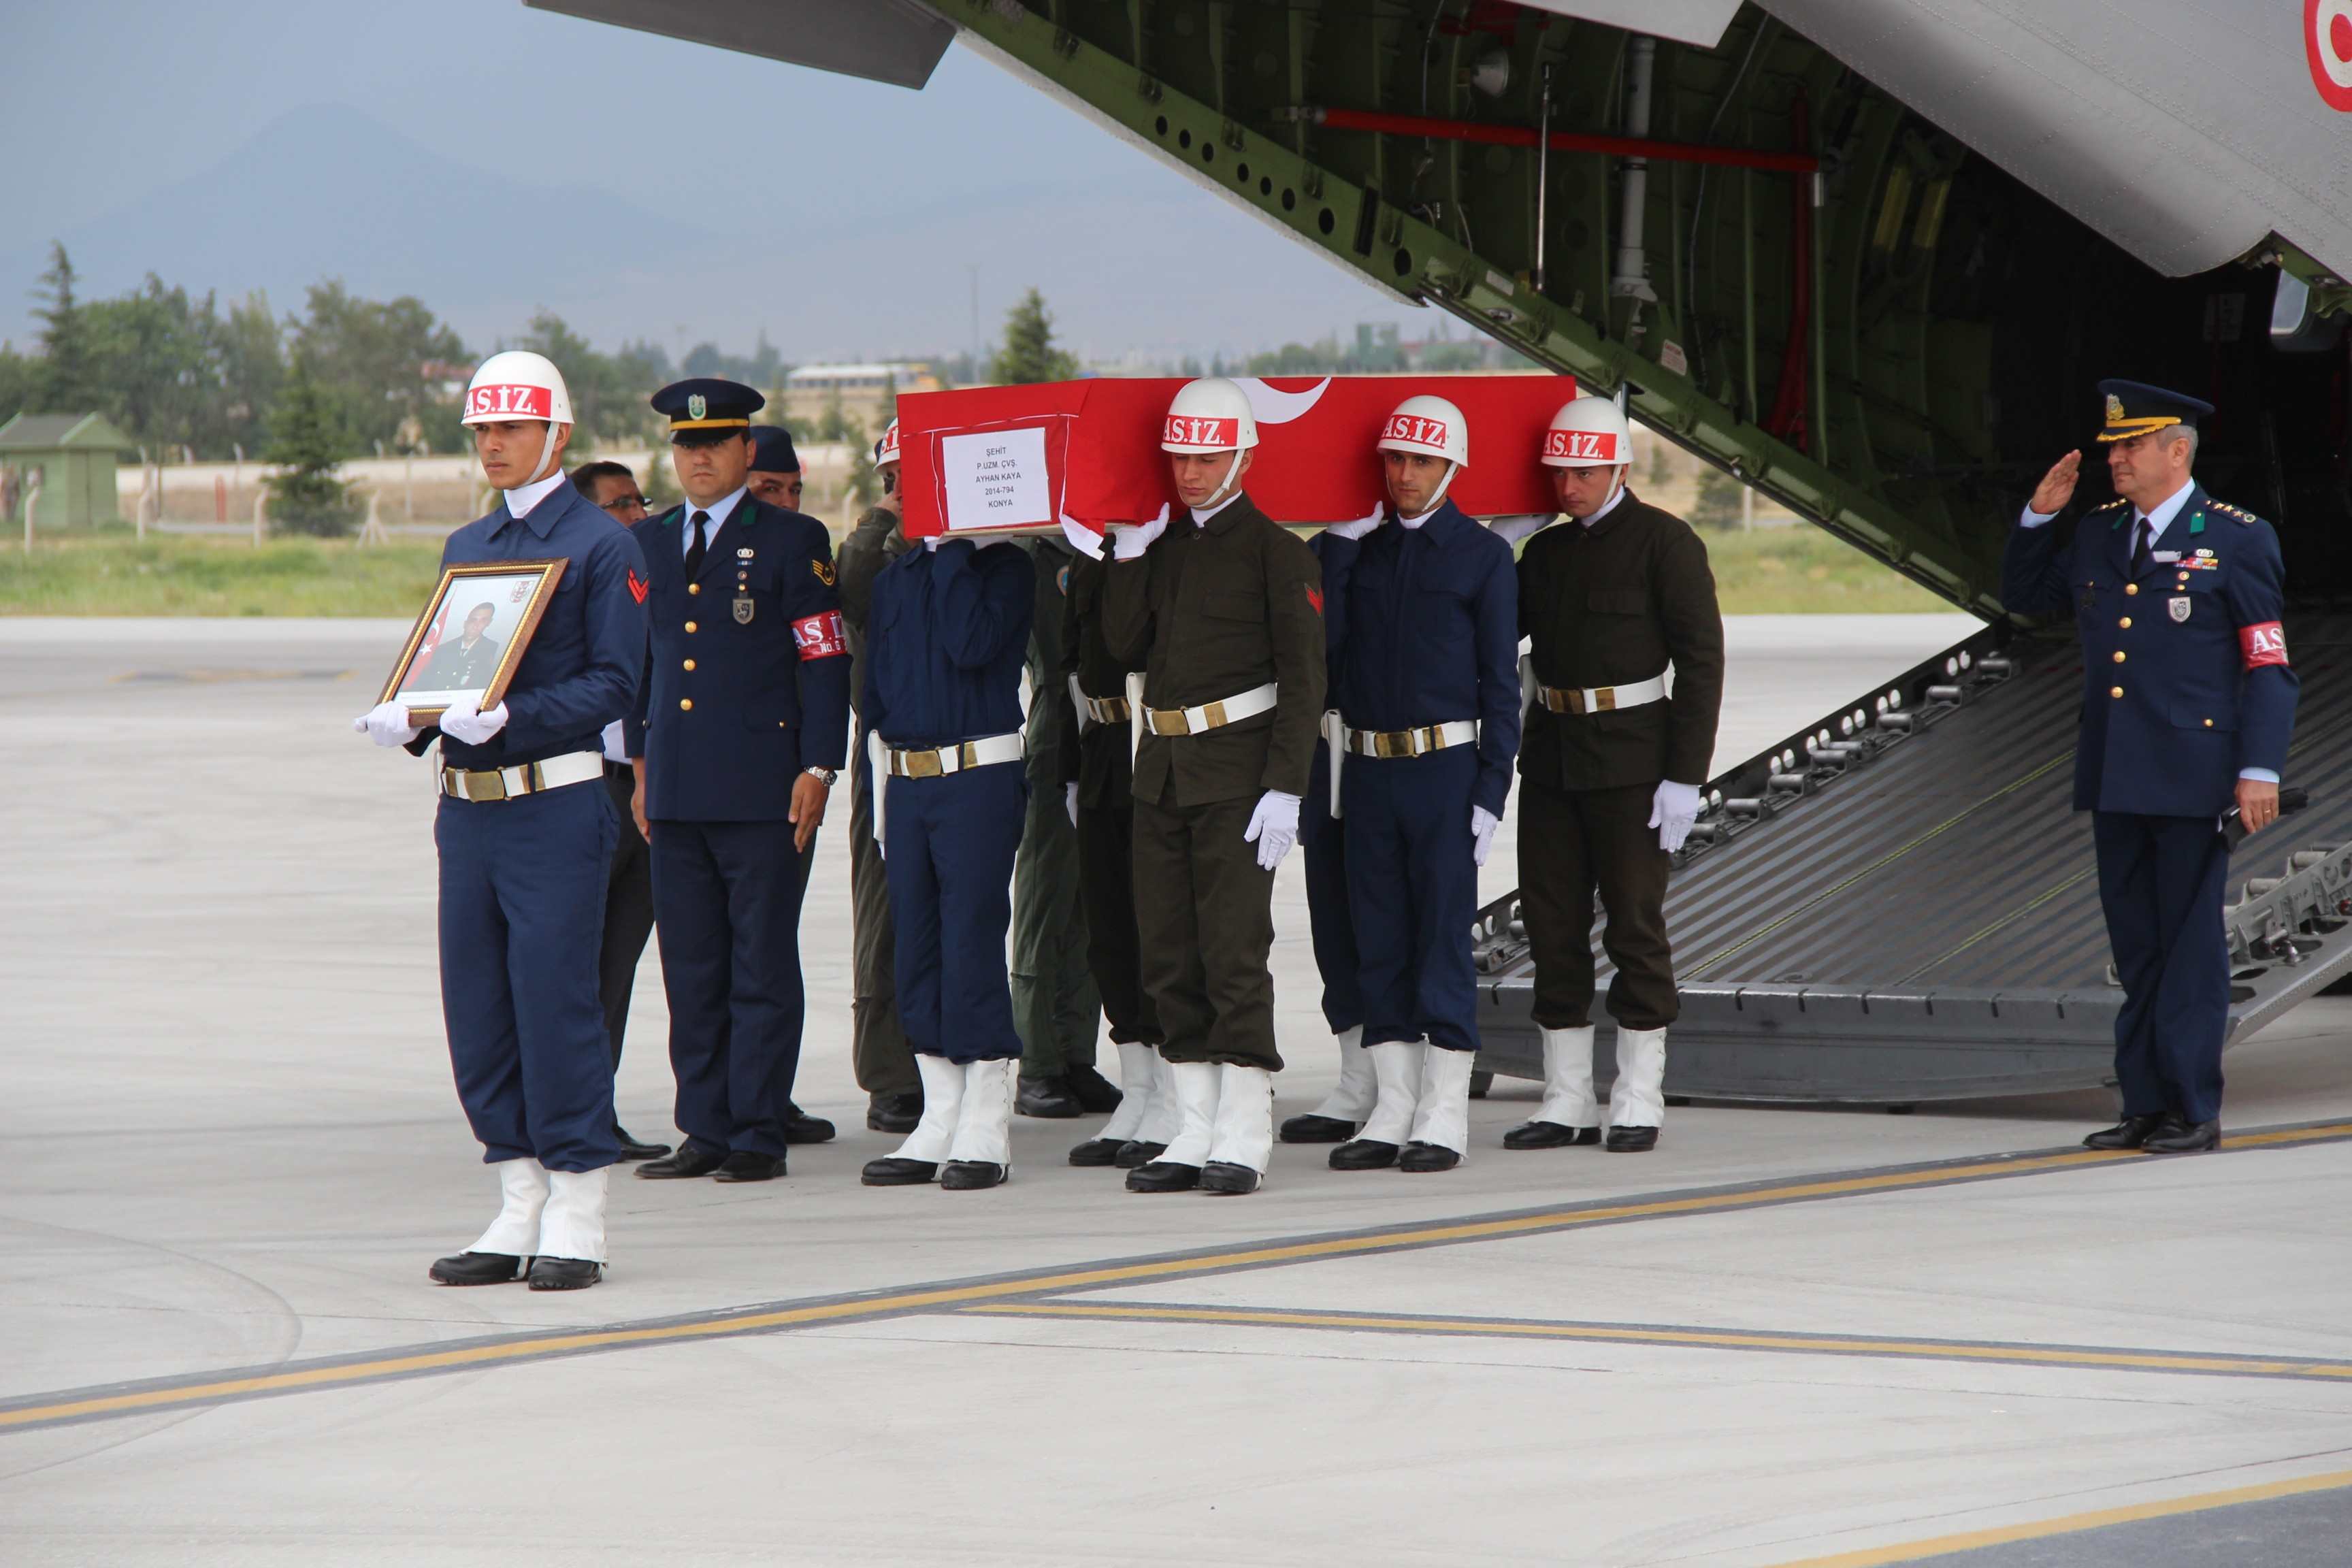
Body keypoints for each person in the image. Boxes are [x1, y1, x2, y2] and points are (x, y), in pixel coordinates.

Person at [352, 350, 647, 1290]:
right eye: (481, 429)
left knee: (557, 1007)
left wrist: (517, 716)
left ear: (556, 434)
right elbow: (448, 666)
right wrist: (411, 716)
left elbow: (616, 680)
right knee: (479, 1010)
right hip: (468, 812)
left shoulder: (604, 545)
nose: (493, 445)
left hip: (555, 805)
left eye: (511, 429)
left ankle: (579, 1208)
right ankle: (518, 1195)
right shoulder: (468, 547)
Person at [2004, 380, 2298, 1154]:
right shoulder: (2101, 532)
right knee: (2137, 946)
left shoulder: (2235, 537)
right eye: (2113, 447)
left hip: (2195, 774)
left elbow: (2267, 664)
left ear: (2177, 450)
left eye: (2131, 445)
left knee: (2190, 948)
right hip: (2116, 769)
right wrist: (2040, 516)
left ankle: (2193, 1109)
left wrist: (2259, 768)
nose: (2116, 459)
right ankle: (2144, 1104)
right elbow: (2026, 595)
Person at [1094, 376, 1326, 1196]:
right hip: (1160, 771)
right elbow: (1121, 645)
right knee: (1169, 956)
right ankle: (1193, 1128)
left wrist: (1285, 787)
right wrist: (1123, 554)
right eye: (1181, 456)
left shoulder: (1277, 552)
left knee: (1232, 954)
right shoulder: (1163, 548)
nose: (1191, 471)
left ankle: (1243, 1128)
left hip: (1238, 777)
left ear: (1243, 456)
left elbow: (1304, 682)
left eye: (1208, 455)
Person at [625, 378, 850, 1184]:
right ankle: (705, 1127)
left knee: (758, 962)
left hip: (764, 789)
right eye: (687, 446)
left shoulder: (792, 539)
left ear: (746, 451)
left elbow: (825, 658)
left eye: (716, 444)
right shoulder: (648, 542)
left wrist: (820, 766)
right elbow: (641, 667)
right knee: (692, 965)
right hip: (678, 790)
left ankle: (757, 1129)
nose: (699, 458)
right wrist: (641, 768)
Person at [1512, 395, 1723, 1154]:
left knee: (1635, 922)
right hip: (1553, 759)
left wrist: (1685, 776)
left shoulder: (1666, 543)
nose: (1568, 485)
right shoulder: (1543, 554)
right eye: (1559, 472)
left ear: (1620, 468)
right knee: (1551, 924)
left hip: (1637, 760)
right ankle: (1566, 1097)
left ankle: (1638, 1092)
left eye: (1584, 471)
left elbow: (1700, 664)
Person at [1319, 396, 1520, 1173]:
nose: (1404, 475)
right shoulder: (1360, 554)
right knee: (1380, 940)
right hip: (1367, 769)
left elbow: (1501, 685)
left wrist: (1489, 791)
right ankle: (1393, 1104)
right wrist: (1337, 551)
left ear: (1452, 469)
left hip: (1444, 772)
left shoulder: (1483, 557)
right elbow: (1326, 651)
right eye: (1396, 460)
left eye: (1422, 462)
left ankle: (1442, 1110)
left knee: (1440, 937)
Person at [857, 508, 1036, 1191]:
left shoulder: (1005, 567)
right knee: (918, 946)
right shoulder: (896, 577)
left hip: (977, 778)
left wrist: (957, 548)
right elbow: (877, 689)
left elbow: (970, 644)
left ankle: (986, 1118)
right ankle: (940, 1112)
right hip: (907, 782)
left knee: (970, 941)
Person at [1058, 549, 1174, 1166]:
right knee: (1110, 933)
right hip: (1102, 749)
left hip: (1153, 747)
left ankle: (1172, 1095)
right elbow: (1071, 667)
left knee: (1155, 931)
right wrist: (1071, 772)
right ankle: (1140, 1087)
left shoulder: (1163, 549)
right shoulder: (1090, 557)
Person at [568, 461, 668, 1161]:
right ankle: (562, 1110)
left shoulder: (649, 585)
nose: (636, 515)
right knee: (572, 961)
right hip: (585, 784)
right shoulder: (566, 586)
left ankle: (594, 1110)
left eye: (639, 502)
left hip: (649, 787)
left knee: (618, 961)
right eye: (617, 505)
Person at [1010, 534, 1117, 1120]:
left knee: (1092, 904)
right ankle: (1038, 1062)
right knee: (1044, 902)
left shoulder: (1107, 545)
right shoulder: (1034, 556)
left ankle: (1079, 1053)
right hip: (1056, 728)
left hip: (1111, 726)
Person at [836, 419, 923, 1134]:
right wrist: (881, 519)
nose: (900, 489)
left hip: (965, 746)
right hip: (885, 747)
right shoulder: (874, 549)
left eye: (912, 475)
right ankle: (891, 1075)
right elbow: (851, 590)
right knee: (885, 916)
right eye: (890, 476)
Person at [421, 602, 502, 690]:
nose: (476, 625)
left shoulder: (492, 648)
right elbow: (429, 680)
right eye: (473, 620)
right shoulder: (444, 649)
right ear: (465, 624)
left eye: (483, 621)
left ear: (489, 623)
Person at [745, 425, 804, 512]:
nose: (789, 504)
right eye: (771, 489)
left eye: (795, 491)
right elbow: (747, 520)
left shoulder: (808, 525)